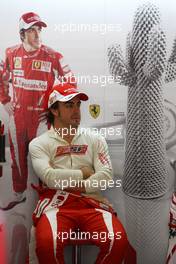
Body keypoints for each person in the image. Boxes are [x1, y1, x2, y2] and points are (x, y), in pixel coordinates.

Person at [28, 83, 134, 264]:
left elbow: (106, 175)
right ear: (54, 110)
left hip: (92, 203)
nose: (76, 110)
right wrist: (82, 172)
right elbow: (50, 178)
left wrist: (81, 186)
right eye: (69, 106)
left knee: (117, 240)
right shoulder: (39, 143)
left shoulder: (94, 138)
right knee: (47, 243)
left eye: (78, 105)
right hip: (57, 204)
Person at [0, 12, 76, 210]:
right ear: (22, 33)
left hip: (41, 119)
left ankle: (46, 197)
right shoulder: (10, 53)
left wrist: (55, 108)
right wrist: (5, 100)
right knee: (17, 159)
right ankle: (19, 195)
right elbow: (2, 77)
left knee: (43, 159)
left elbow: (71, 83)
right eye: (33, 30)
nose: (38, 34)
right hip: (17, 117)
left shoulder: (52, 55)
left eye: (39, 30)